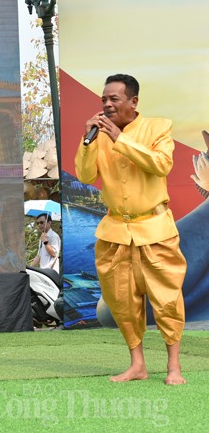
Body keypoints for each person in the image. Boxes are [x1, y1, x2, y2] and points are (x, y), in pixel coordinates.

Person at [75, 74, 187, 385]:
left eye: (114, 100)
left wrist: (119, 140)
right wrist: (88, 142)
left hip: (155, 228)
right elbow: (85, 176)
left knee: (166, 298)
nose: (107, 105)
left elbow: (161, 164)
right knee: (121, 300)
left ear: (133, 102)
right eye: (104, 100)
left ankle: (174, 367)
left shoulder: (158, 127)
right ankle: (137, 364)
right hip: (114, 231)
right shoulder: (98, 135)